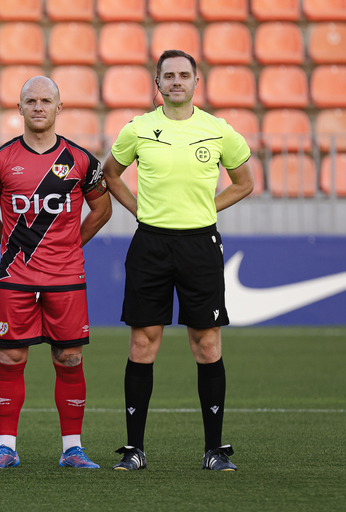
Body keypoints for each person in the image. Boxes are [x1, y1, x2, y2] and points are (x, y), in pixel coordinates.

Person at [103, 50, 254, 472]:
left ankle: (214, 451)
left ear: (195, 81)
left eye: (183, 75)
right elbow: (109, 173)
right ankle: (134, 451)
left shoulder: (219, 131)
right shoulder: (138, 129)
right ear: (157, 83)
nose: (176, 81)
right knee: (142, 342)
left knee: (206, 343)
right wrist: (137, 209)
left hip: (200, 246)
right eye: (168, 75)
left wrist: (207, 207)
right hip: (150, 244)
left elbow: (245, 182)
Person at [0, 76, 112, 470]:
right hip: (16, 277)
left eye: (45, 100)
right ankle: (5, 447)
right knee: (11, 359)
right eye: (30, 100)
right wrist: (12, 244)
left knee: (69, 358)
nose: (38, 107)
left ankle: (72, 448)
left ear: (58, 107)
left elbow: (102, 210)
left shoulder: (81, 160)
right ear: (19, 108)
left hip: (66, 277)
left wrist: (71, 244)